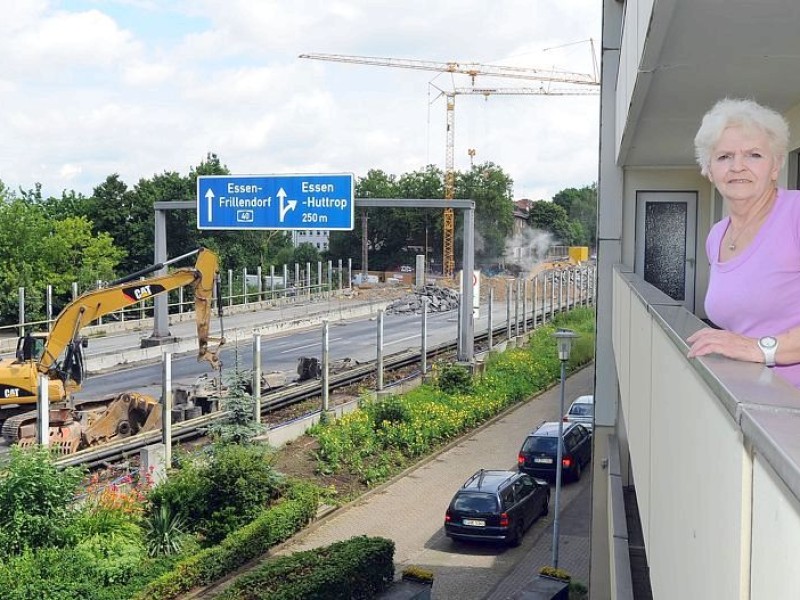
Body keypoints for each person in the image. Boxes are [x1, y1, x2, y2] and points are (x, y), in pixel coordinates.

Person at [687, 98, 800, 388]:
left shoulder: (795, 215)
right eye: (724, 157)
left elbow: (748, 343)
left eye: (753, 155)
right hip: (754, 403)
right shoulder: (717, 236)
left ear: (775, 166)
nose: (738, 167)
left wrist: (758, 348)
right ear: (709, 171)